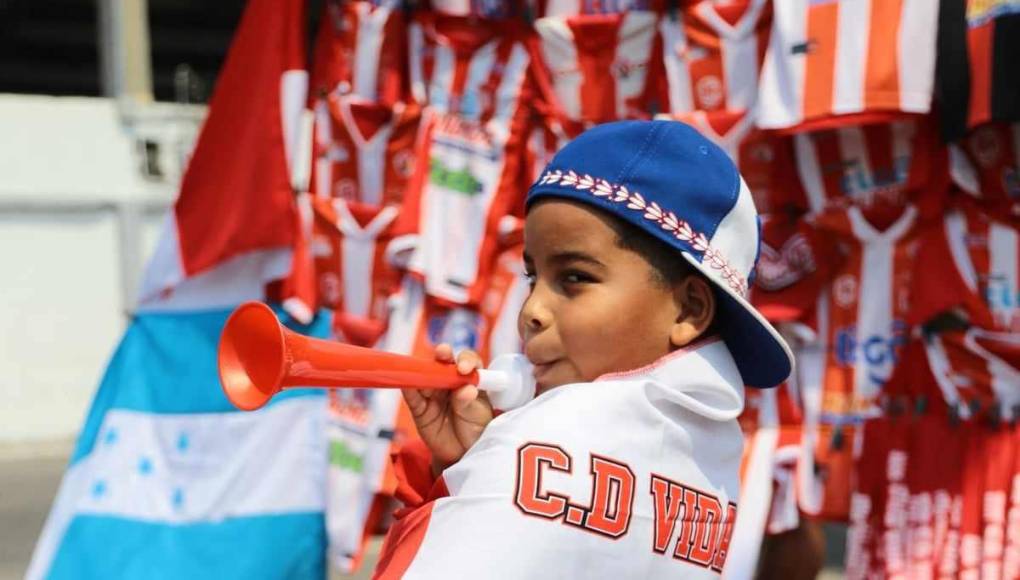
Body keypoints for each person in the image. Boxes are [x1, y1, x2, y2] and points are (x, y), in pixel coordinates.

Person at [372, 120, 794, 578]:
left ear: (689, 309)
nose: (531, 310)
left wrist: (485, 469)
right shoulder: (712, 453)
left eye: (574, 277)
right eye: (532, 277)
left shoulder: (541, 440)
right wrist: (462, 468)